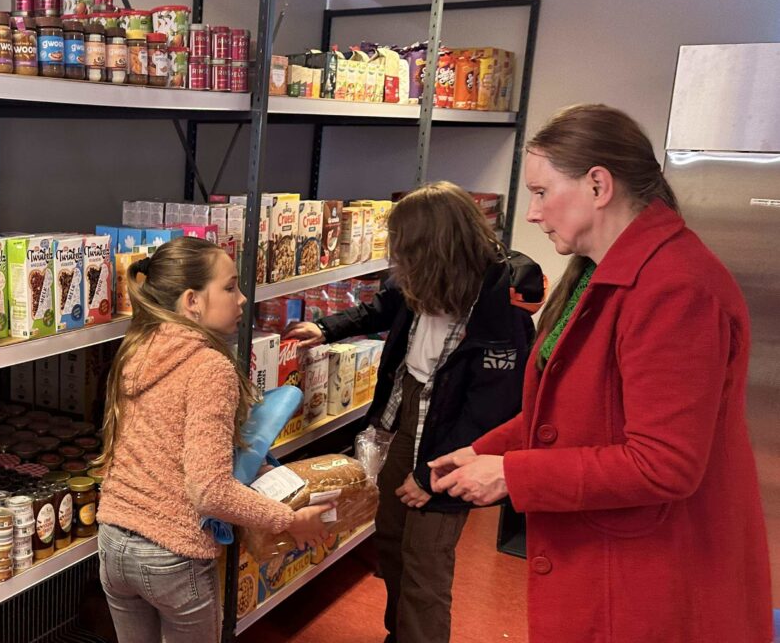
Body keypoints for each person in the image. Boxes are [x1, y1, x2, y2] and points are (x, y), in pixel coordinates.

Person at [430, 105, 772, 643]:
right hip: (613, 563)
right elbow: (577, 412)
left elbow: (665, 464)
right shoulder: (596, 273)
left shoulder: (676, 288)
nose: (534, 213)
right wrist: (485, 449)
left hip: (654, 580)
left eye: (542, 193)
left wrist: (511, 474)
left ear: (598, 185)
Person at [286, 182, 545, 643]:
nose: (395, 262)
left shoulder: (500, 312)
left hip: (458, 442)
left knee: (426, 562)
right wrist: (327, 327)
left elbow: (487, 414)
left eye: (405, 252)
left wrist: (429, 477)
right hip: (409, 417)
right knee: (391, 539)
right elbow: (384, 307)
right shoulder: (423, 283)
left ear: (434, 251)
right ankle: (399, 634)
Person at [94, 236, 333, 643]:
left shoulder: (136, 348)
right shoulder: (209, 367)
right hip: (172, 555)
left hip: (114, 544)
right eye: (229, 287)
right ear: (191, 301)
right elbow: (210, 491)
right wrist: (290, 521)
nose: (242, 299)